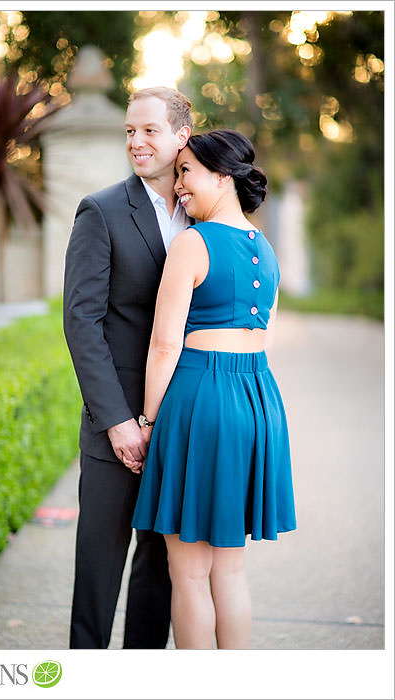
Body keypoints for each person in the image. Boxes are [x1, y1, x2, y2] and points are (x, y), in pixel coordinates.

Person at [131, 129, 296, 648]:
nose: (178, 185)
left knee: (189, 574)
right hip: (257, 399)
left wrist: (149, 422)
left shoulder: (192, 243)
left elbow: (163, 346)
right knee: (229, 571)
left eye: (186, 172)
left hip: (202, 396)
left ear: (222, 177)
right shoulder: (264, 249)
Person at [63, 86, 193, 649]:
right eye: (129, 132)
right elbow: (80, 322)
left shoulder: (203, 212)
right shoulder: (103, 210)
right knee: (98, 571)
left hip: (181, 417)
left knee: (161, 567)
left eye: (149, 131)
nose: (137, 143)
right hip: (114, 421)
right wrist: (116, 421)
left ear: (182, 137)